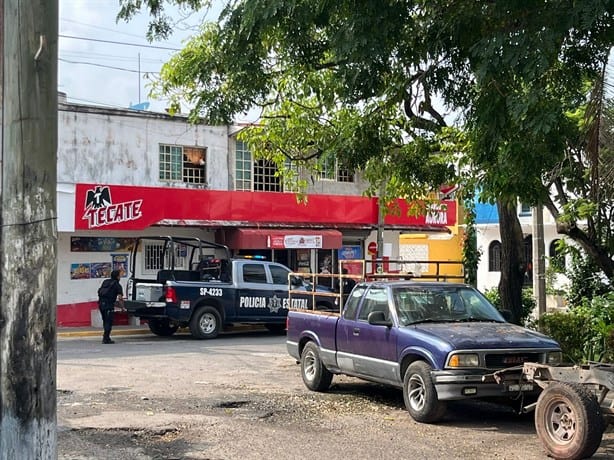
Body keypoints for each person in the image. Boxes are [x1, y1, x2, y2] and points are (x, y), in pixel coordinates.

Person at [97, 270, 124, 344]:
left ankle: (106, 337)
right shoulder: (117, 285)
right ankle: (106, 338)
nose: (120, 277)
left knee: (105, 321)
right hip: (109, 305)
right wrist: (122, 307)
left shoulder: (105, 282)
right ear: (117, 277)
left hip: (101, 304)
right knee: (109, 322)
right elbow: (120, 298)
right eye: (120, 275)